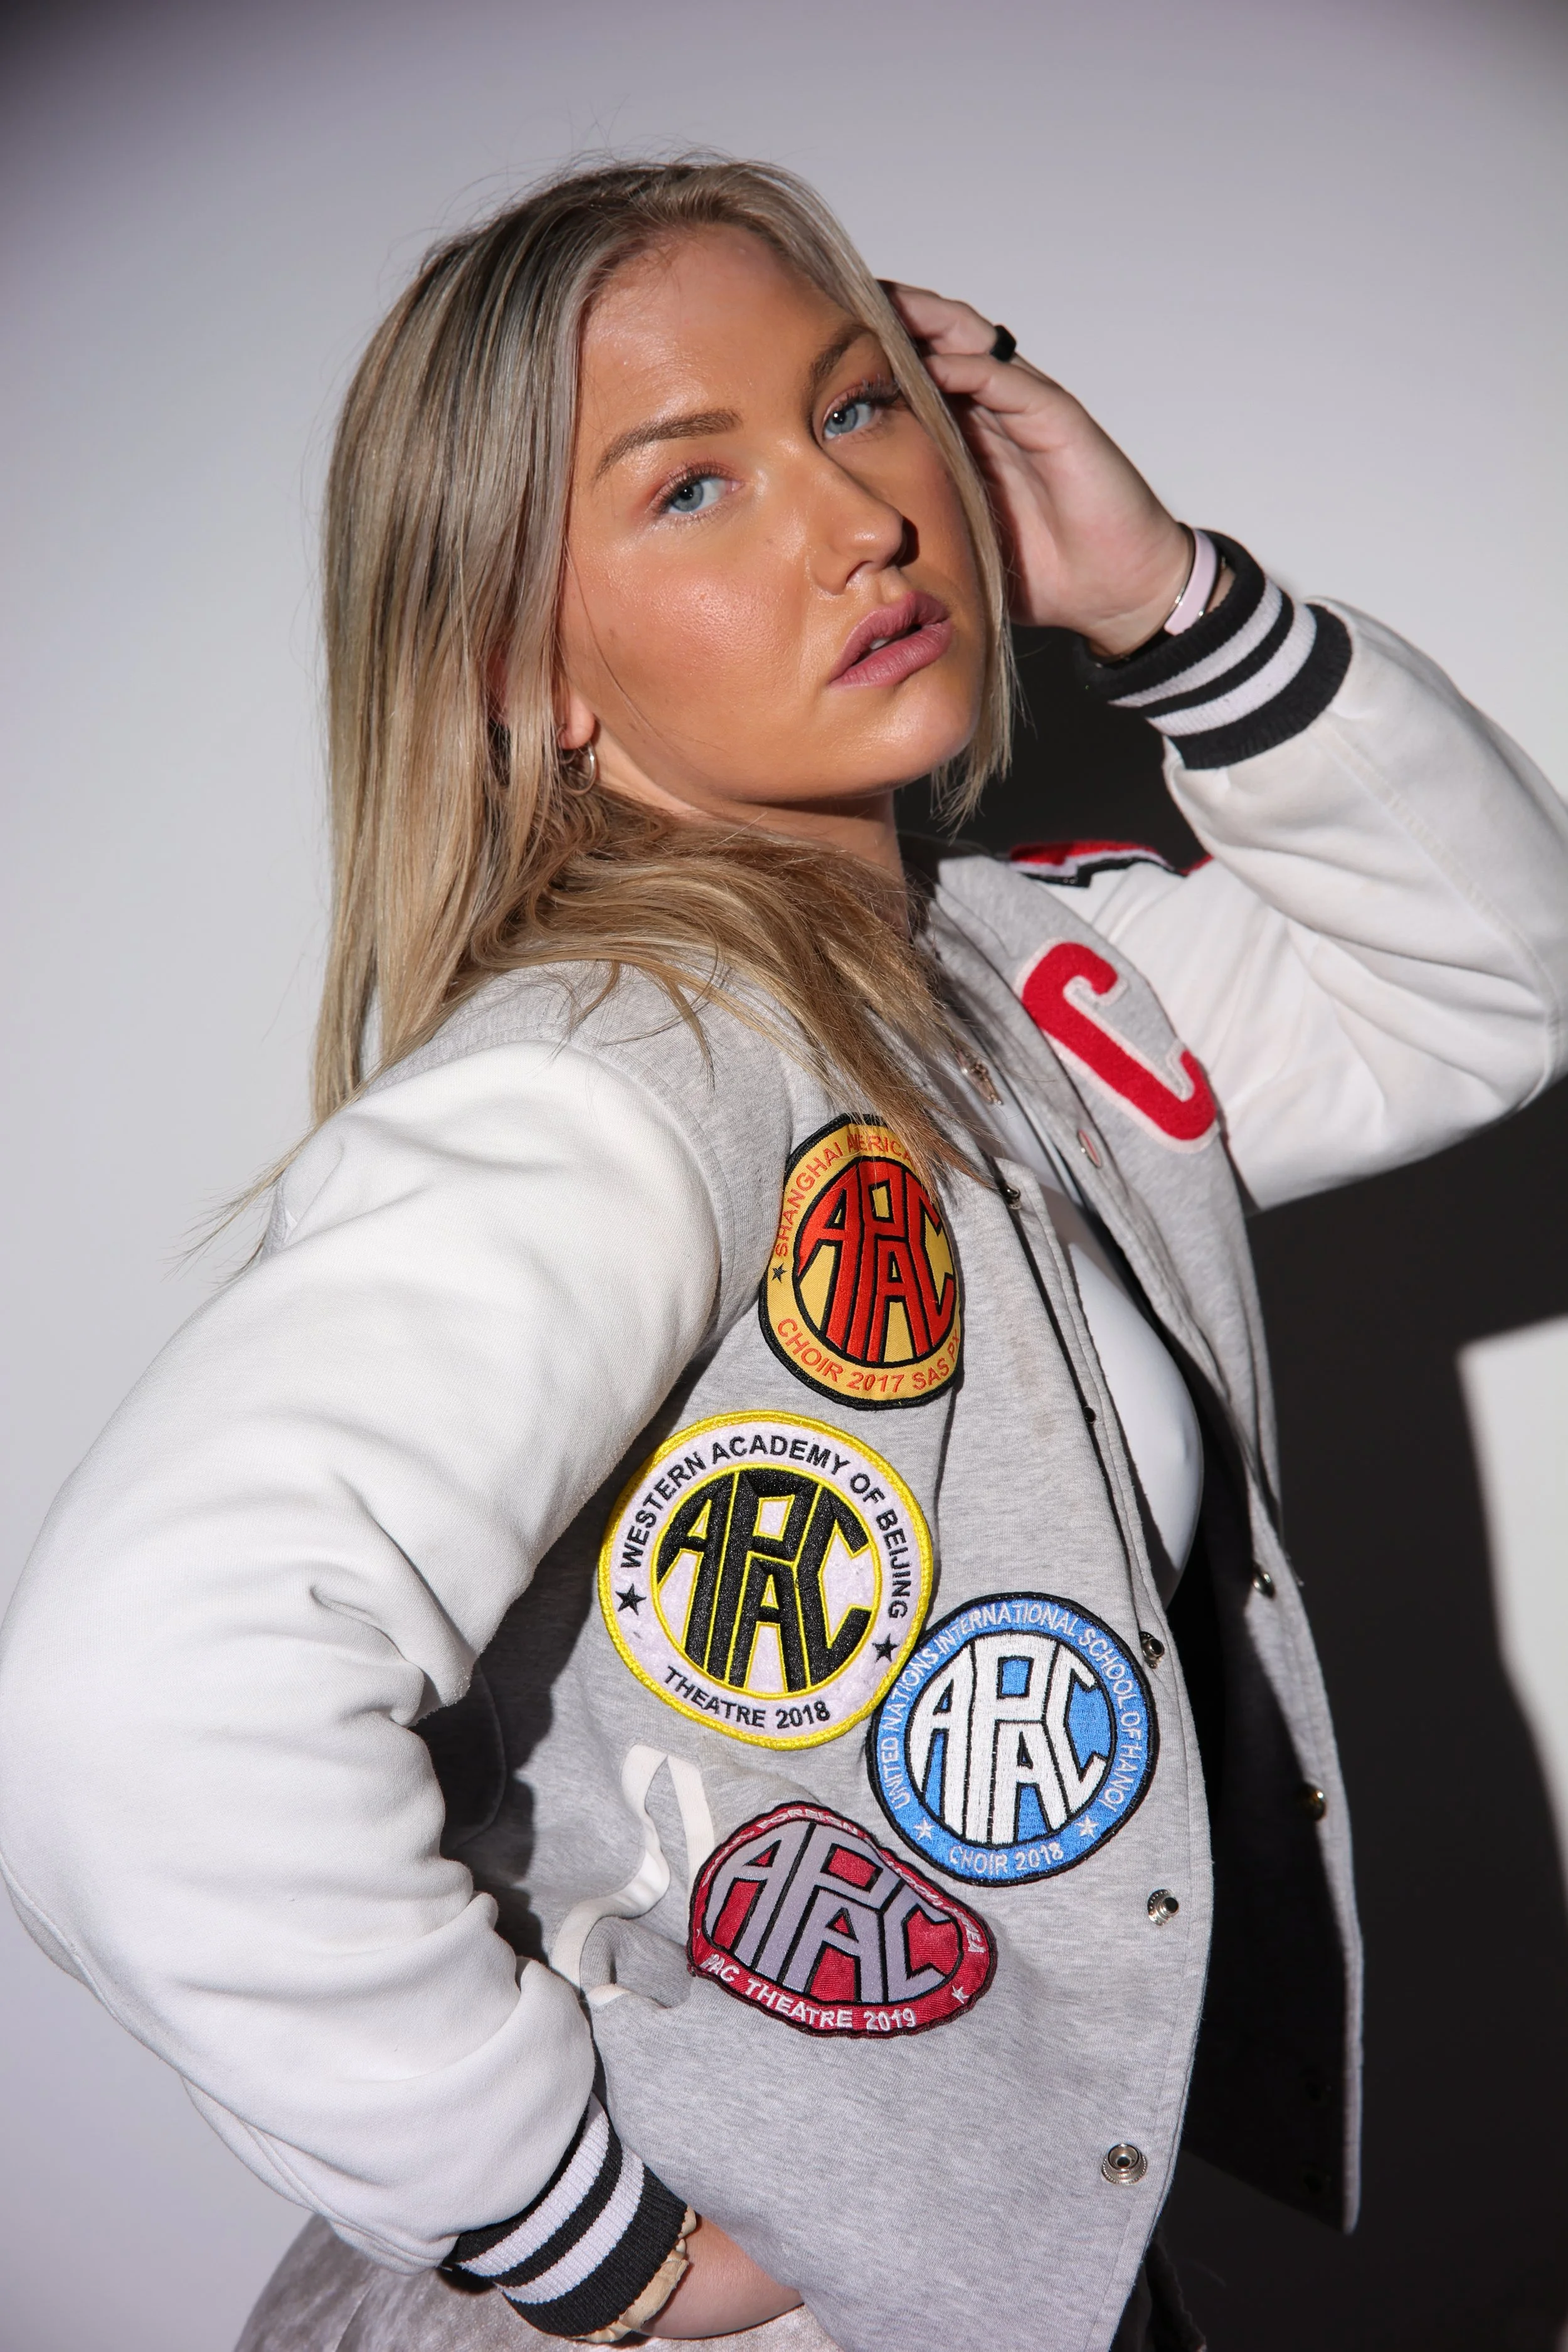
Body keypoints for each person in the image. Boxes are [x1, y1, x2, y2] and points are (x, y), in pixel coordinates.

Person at [2, 156, 1565, 2352]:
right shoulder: (601, 1088)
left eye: (853, 410)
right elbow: (137, 1705)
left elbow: (1485, 979)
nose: (857, 520)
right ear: (522, 670)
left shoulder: (1017, 992)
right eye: (688, 489)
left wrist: (1161, 591)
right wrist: (591, 2241)